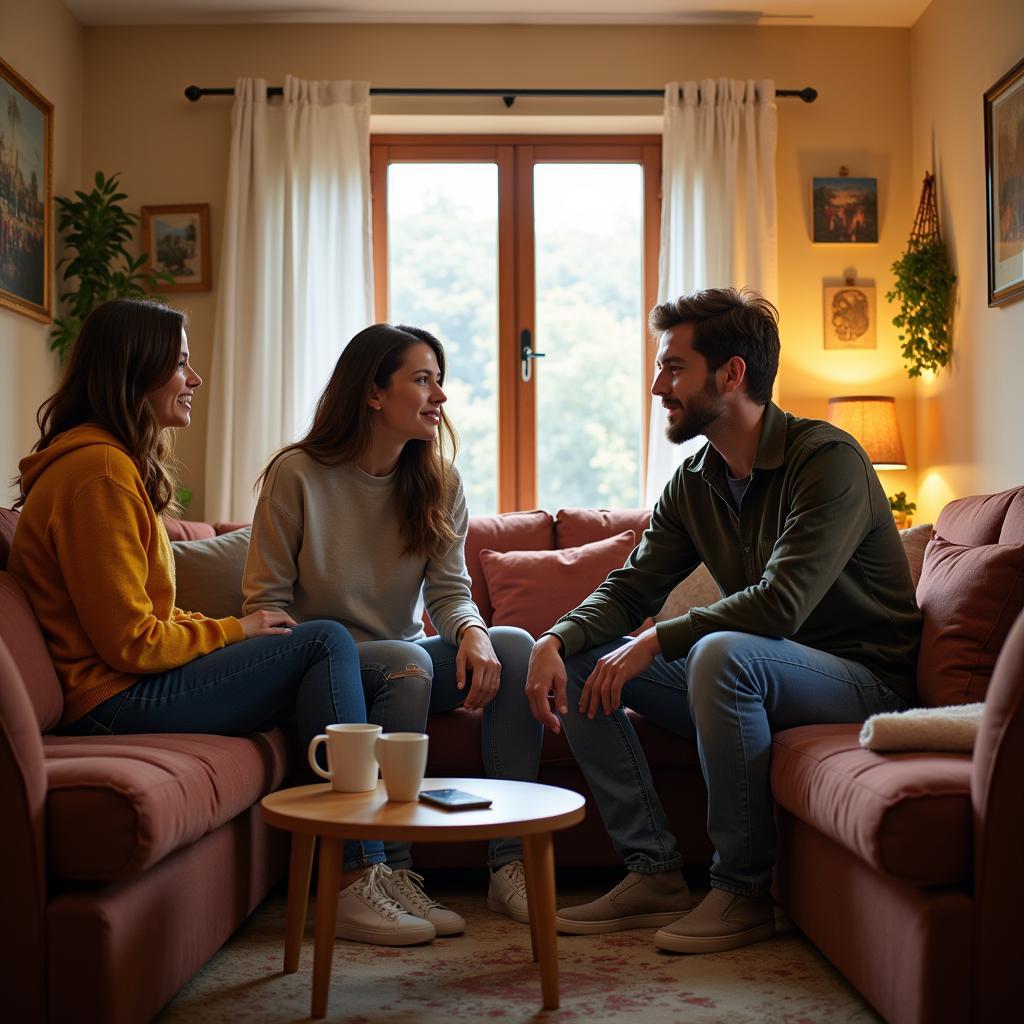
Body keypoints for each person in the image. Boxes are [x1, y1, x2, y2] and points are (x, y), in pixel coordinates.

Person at [5, 299, 426, 937]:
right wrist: (236, 628)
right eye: (179, 363)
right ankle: (352, 878)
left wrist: (234, 634)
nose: (195, 379)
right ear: (134, 371)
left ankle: (364, 871)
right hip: (109, 700)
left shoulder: (106, 463)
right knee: (321, 644)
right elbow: (131, 642)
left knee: (317, 650)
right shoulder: (98, 472)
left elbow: (143, 618)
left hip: (118, 688)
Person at [524, 287, 921, 954]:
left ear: (732, 374)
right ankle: (653, 872)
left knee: (719, 653)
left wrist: (658, 639)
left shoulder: (827, 461)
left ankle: (741, 893)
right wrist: (556, 637)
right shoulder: (696, 480)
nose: (657, 385)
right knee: (585, 659)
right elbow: (630, 586)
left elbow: (781, 601)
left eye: (674, 367)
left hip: (863, 679)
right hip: (760, 672)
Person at [243, 322, 542, 944]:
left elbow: (450, 592)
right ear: (374, 393)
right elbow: (266, 603)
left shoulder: (439, 482)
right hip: (326, 670)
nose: (440, 397)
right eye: (423, 380)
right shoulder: (296, 474)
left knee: (514, 646)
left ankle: (509, 861)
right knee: (409, 666)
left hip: (408, 661)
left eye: (440, 381)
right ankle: (391, 871)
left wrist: (472, 633)